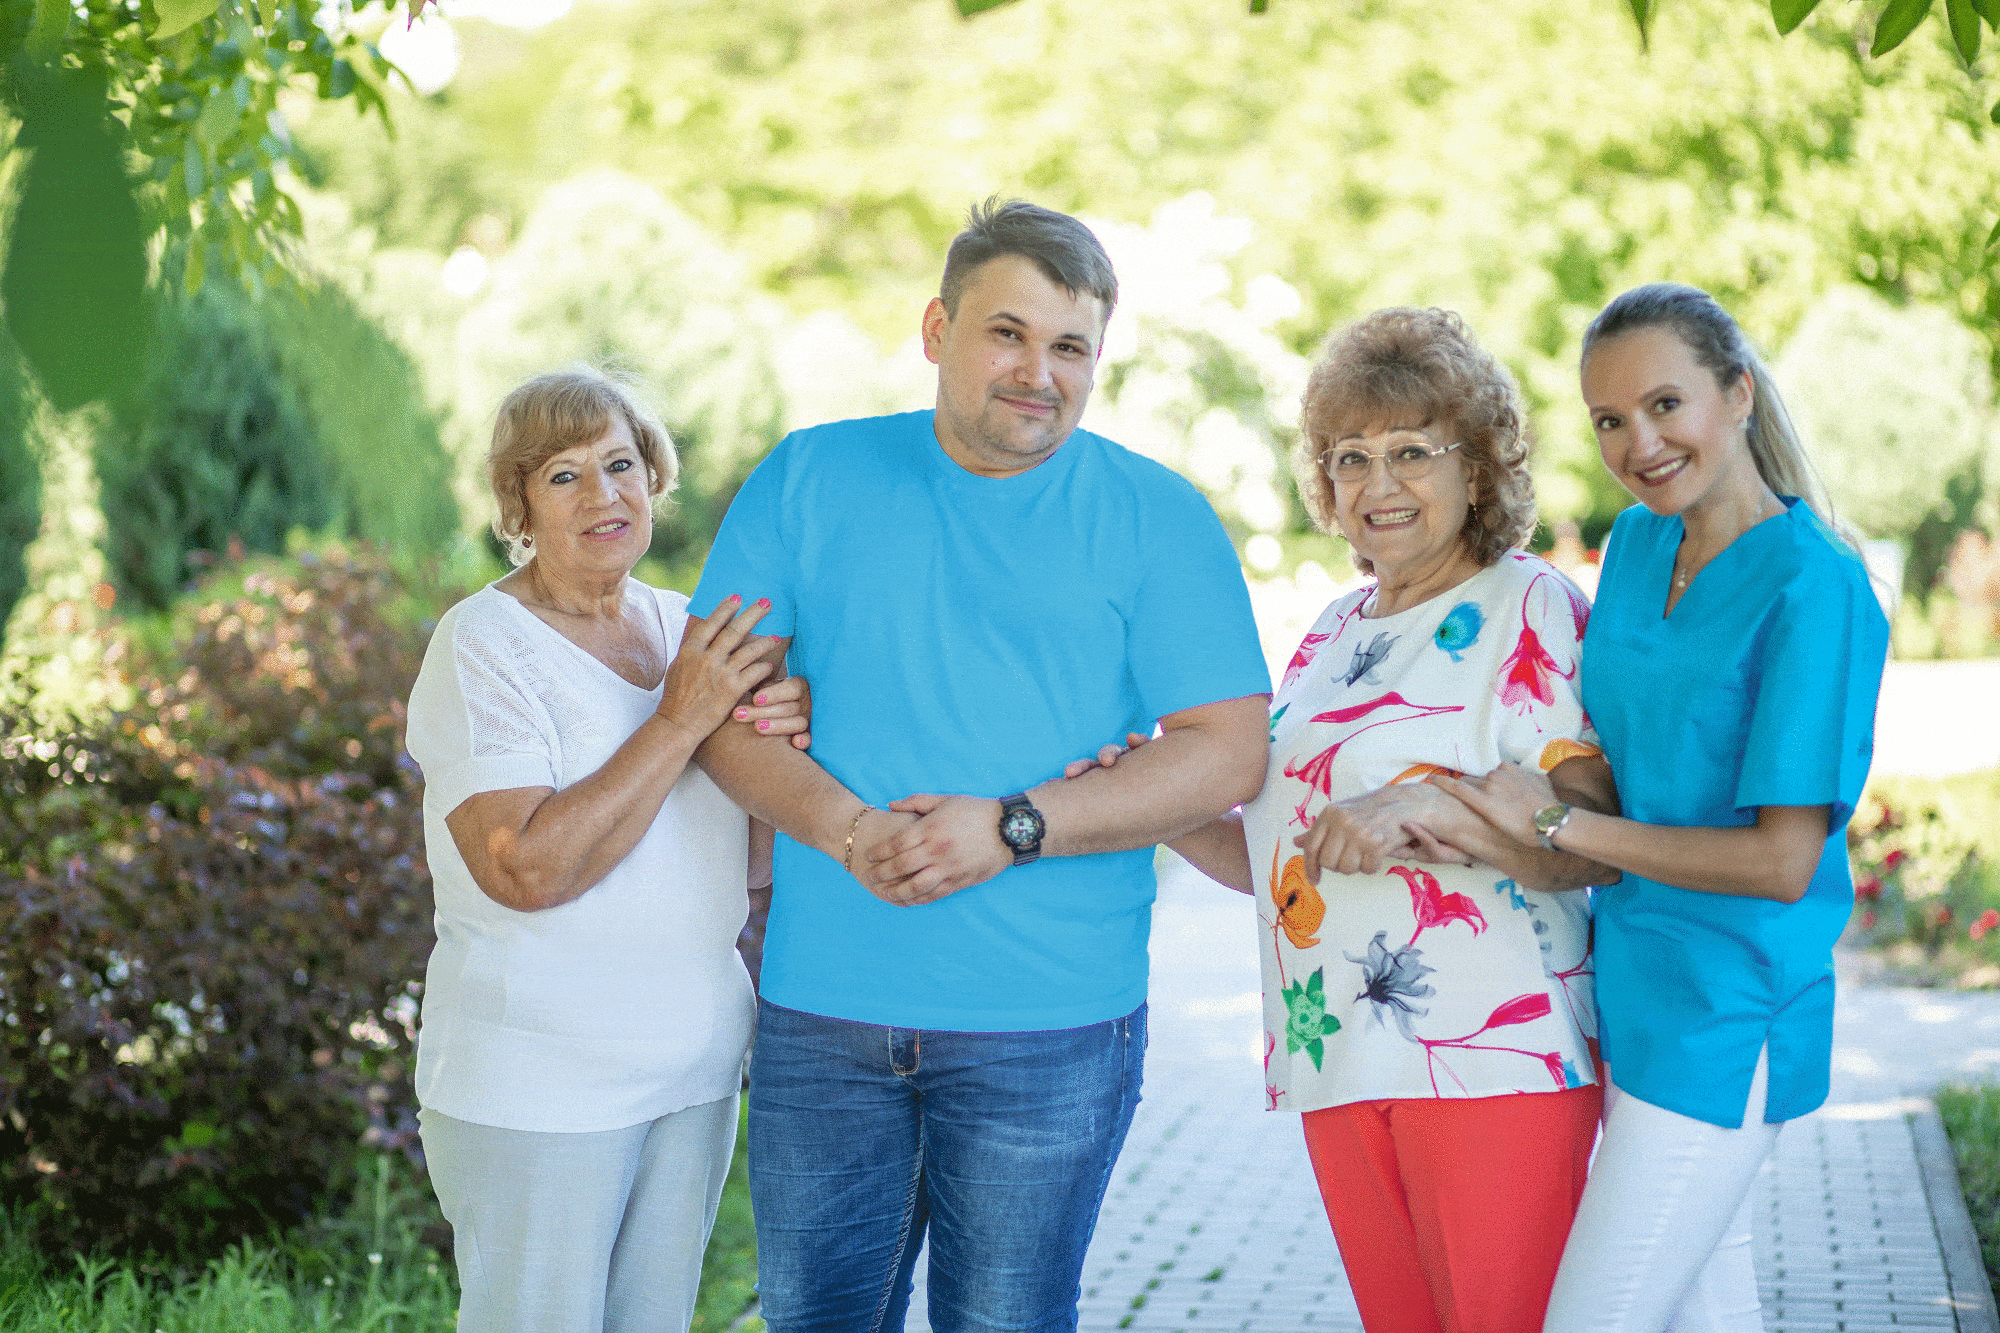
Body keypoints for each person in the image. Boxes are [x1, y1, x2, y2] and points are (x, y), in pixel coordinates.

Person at [685, 199, 1273, 1333]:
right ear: (935, 328)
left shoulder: (1156, 515)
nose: (1036, 373)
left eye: (1069, 347)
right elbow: (711, 713)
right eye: (1007, 333)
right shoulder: (811, 477)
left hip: (1049, 1022)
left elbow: (1225, 751)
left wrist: (1011, 825)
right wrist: (850, 831)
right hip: (824, 1010)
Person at [1101, 307, 1618, 1333]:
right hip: (1334, 1055)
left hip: (1491, 1063)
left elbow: (1592, 841)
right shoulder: (1333, 633)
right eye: (1349, 457)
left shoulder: (1532, 606)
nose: (1376, 484)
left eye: (1410, 452)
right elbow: (1282, 857)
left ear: (1476, 468)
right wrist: (1143, 796)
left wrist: (1430, 809)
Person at [1435, 283, 1890, 1333]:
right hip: (1629, 987)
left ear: (1734, 395)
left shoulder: (1813, 588)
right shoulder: (1636, 548)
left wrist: (1557, 827)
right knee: (1703, 1311)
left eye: (1662, 405)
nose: (1636, 442)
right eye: (1607, 420)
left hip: (1727, 1014)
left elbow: (1780, 862)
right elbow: (1586, 739)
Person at [403, 368, 812, 1333]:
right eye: (564, 475)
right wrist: (682, 718)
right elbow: (526, 867)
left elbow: (748, 866)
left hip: (694, 1065)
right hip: (539, 1081)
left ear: (655, 479)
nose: (604, 494)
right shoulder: (483, 644)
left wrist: (781, 742)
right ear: (518, 506)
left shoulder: (687, 629)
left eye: (622, 464)